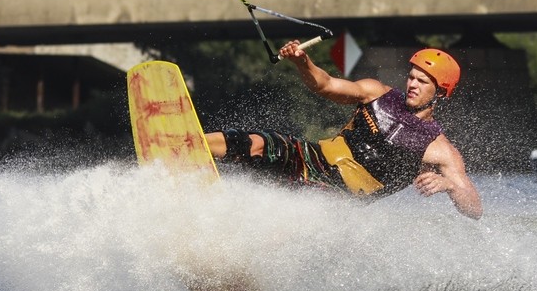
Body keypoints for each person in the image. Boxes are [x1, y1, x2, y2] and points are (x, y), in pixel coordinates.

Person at [204, 40, 483, 220]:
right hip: (314, 158)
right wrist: (304, 62)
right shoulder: (376, 93)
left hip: (338, 198)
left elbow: (474, 209)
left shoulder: (439, 149)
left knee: (291, 215)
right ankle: (193, 145)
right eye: (411, 77)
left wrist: (448, 185)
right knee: (258, 142)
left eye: (423, 82)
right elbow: (325, 85)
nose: (412, 84)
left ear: (440, 93)